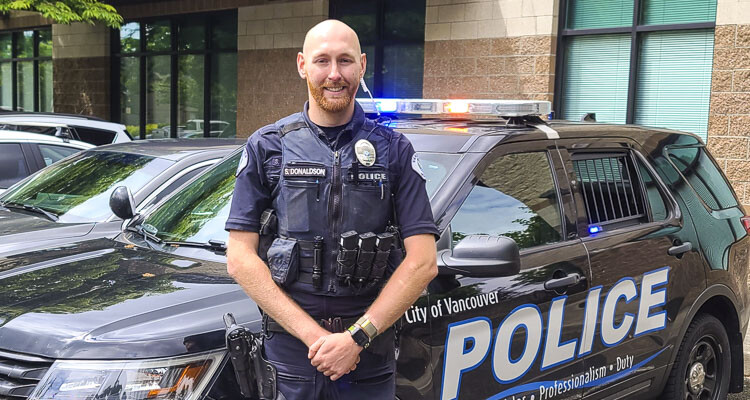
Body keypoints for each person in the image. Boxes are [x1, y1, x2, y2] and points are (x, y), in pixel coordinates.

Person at [225, 19, 438, 400]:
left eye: (345, 60)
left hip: (368, 357)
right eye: (322, 61)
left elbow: (423, 263)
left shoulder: (394, 150)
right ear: (302, 65)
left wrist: (356, 339)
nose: (335, 74)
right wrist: (317, 339)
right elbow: (240, 259)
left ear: (362, 65)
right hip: (291, 358)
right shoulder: (267, 146)